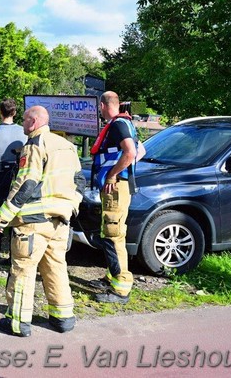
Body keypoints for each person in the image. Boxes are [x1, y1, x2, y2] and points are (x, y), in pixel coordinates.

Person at [0, 106, 85, 337]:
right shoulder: (68, 146)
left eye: (24, 120)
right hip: (61, 219)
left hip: (33, 221)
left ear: (33, 122)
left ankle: (18, 322)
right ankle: (63, 317)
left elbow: (26, 183)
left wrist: (1, 217)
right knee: (56, 267)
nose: (22, 124)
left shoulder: (34, 144)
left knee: (23, 269)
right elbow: (79, 180)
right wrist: (71, 206)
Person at [88, 91, 146, 304]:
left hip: (116, 188)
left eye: (99, 107)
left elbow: (131, 153)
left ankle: (121, 289)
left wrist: (113, 173)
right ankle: (112, 277)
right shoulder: (125, 123)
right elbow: (141, 150)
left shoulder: (118, 125)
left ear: (103, 105)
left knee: (113, 235)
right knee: (111, 233)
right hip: (117, 187)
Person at [0, 98, 27, 261]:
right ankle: (13, 253)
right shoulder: (24, 132)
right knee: (15, 210)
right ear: (14, 113)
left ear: (0, 112)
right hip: (17, 173)